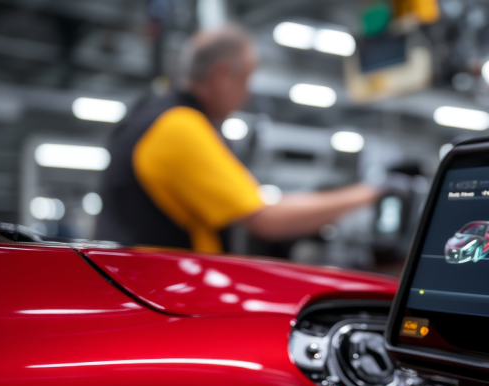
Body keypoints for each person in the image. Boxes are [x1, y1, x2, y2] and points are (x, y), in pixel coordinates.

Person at [95, 24, 378, 253]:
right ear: (221, 76)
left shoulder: (147, 113)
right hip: (159, 290)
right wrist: (368, 193)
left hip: (138, 287)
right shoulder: (178, 126)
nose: (248, 93)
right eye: (246, 78)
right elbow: (265, 219)